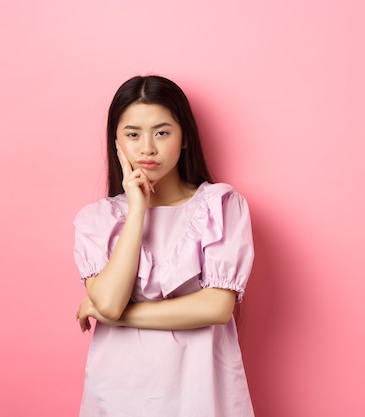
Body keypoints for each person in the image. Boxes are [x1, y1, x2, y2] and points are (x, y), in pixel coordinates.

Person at [73, 75, 255, 417]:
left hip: (199, 391)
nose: (147, 148)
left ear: (184, 137)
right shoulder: (98, 220)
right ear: (116, 143)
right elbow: (110, 303)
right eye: (132, 135)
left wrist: (115, 316)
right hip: (118, 392)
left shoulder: (219, 206)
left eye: (162, 132)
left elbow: (216, 307)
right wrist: (137, 209)